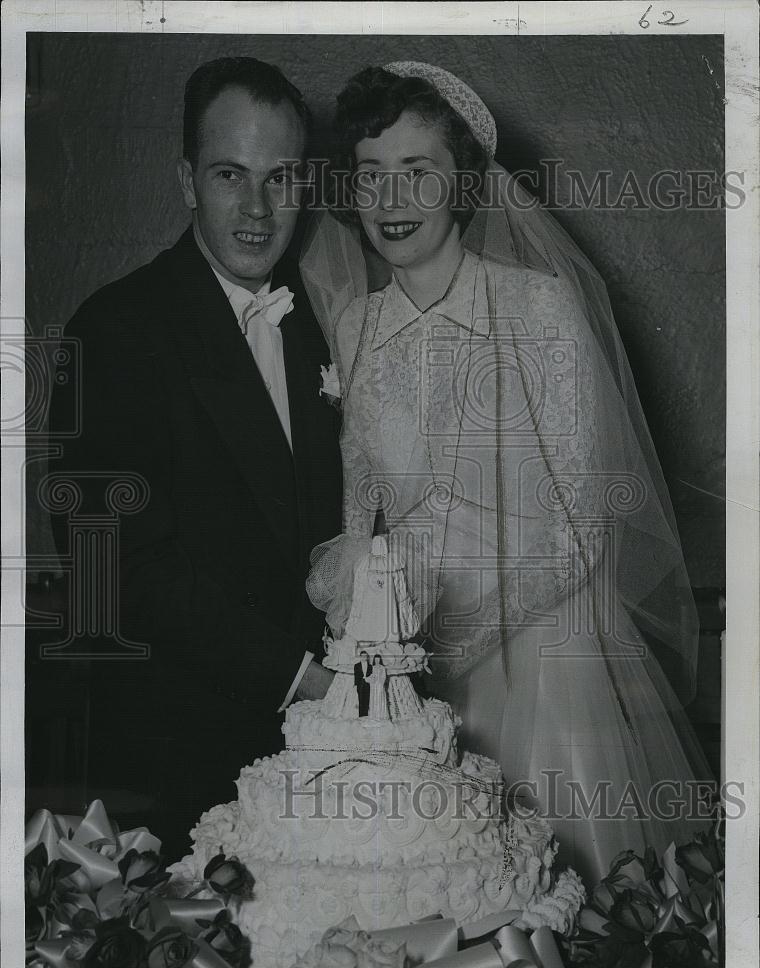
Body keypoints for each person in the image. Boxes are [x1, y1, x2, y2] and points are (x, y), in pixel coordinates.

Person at [302, 62, 713, 885]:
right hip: (406, 670)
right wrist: (366, 630)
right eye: (372, 174)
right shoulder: (353, 321)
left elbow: (582, 524)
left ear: (464, 184)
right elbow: (362, 511)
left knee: (550, 895)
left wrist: (457, 639)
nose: (392, 200)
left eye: (418, 172)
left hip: (542, 660)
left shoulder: (537, 308)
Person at [47, 57, 341, 861]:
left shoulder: (317, 322)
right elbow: (120, 572)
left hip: (312, 767)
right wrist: (303, 680)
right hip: (173, 769)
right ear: (186, 181)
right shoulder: (111, 331)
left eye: (281, 176)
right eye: (228, 174)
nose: (257, 209)